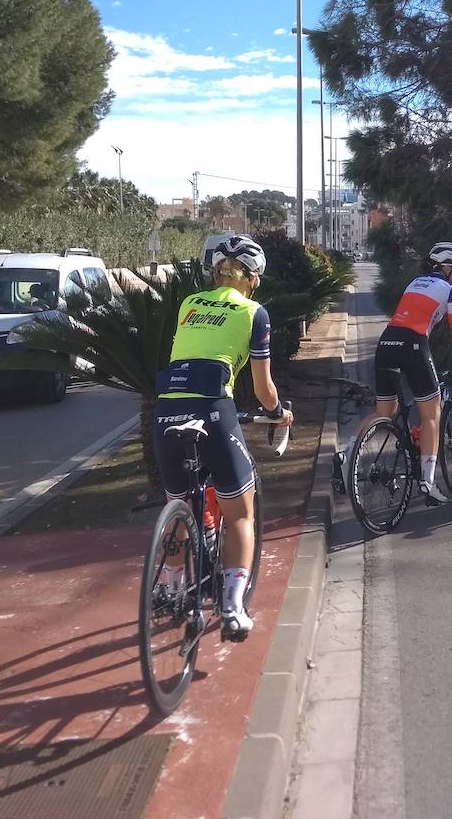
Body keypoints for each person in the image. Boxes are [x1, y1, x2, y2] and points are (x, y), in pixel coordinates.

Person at [153, 234, 293, 639]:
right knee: (242, 512)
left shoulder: (188, 304)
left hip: (166, 410)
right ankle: (232, 607)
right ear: (253, 279)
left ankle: (169, 585)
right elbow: (264, 389)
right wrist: (277, 413)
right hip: (214, 409)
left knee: (180, 504)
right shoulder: (255, 312)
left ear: (215, 273)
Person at [334, 242, 452, 503]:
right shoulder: (450, 291)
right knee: (431, 412)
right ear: (448, 268)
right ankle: (427, 482)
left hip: (386, 343)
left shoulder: (414, 284)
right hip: (413, 345)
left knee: (385, 412)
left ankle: (346, 455)